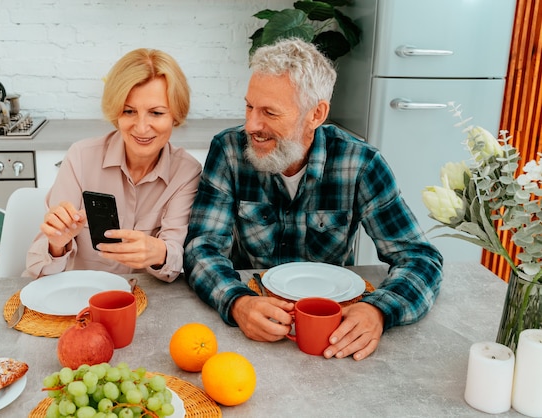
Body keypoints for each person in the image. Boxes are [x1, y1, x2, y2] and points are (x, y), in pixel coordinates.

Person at [183, 38, 443, 361]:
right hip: (250, 334)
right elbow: (201, 248)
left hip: (331, 338)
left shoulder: (361, 164)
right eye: (249, 106)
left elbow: (421, 259)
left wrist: (378, 312)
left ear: (316, 114)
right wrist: (237, 302)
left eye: (269, 112)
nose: (251, 125)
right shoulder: (229, 151)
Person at [25, 48, 201, 282]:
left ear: (175, 116)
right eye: (129, 111)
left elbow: (172, 267)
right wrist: (57, 245)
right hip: (78, 300)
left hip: (145, 303)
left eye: (156, 113)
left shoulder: (187, 173)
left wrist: (159, 253)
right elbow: (38, 270)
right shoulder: (81, 158)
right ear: (116, 112)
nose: (141, 127)